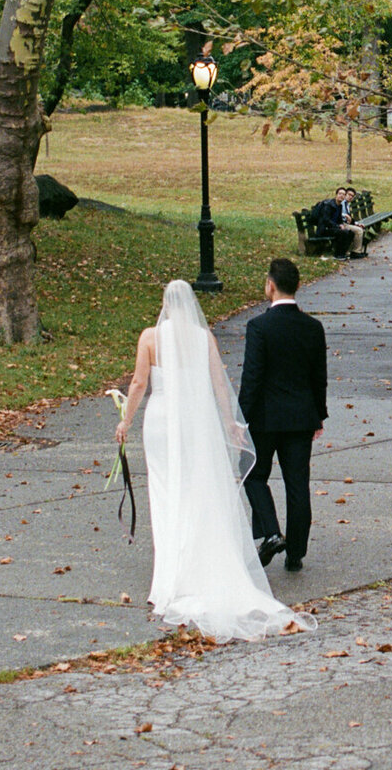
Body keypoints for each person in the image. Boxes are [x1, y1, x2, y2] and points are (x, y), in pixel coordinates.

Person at [115, 280, 308, 642]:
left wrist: (125, 419)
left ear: (166, 305)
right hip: (196, 421)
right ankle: (198, 562)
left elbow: (140, 383)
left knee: (166, 491)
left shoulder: (149, 337)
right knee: (199, 488)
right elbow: (220, 385)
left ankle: (172, 573)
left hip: (161, 423)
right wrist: (229, 422)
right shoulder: (204, 338)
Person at [239, 258, 328, 573]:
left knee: (253, 474)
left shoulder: (259, 327)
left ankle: (272, 532)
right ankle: (296, 554)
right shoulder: (313, 328)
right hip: (301, 417)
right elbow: (319, 376)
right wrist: (319, 415)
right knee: (297, 483)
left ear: (270, 285)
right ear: (298, 286)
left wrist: (241, 419)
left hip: (264, 419)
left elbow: (252, 378)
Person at [338, 186, 367, 258]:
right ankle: (356, 252)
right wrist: (345, 215)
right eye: (349, 195)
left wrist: (357, 223)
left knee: (360, 228)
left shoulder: (347, 204)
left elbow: (350, 218)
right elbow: (339, 214)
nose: (350, 197)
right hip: (341, 223)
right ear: (345, 194)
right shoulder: (342, 203)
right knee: (359, 231)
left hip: (346, 223)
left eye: (352, 196)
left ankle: (355, 250)